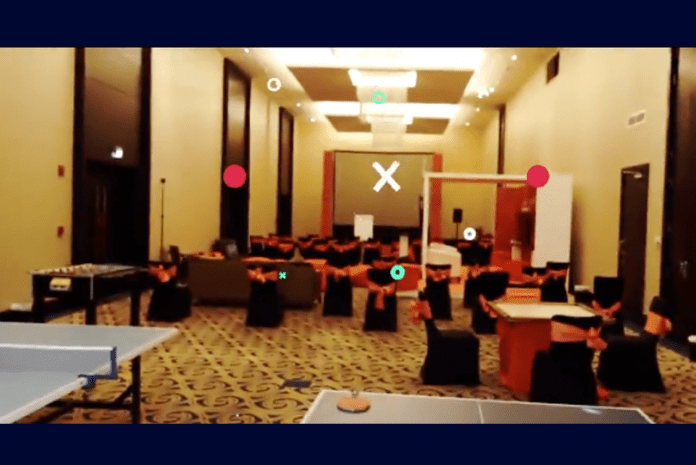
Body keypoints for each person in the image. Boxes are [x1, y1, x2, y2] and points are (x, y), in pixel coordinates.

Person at [409, 291, 480, 385]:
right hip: (436, 335)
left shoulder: (423, 303)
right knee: (471, 340)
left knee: (470, 336)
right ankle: (466, 375)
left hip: (434, 333)